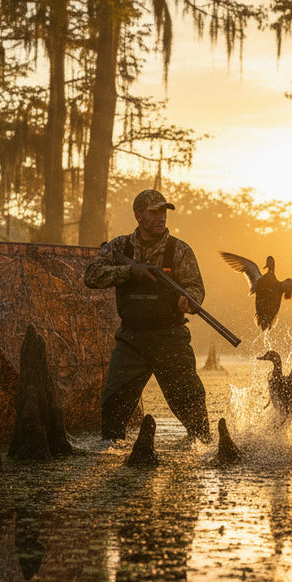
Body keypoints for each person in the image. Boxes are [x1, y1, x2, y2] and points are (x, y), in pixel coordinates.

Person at [84, 189, 212, 442]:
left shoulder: (180, 250)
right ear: (138, 215)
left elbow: (196, 287)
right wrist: (131, 273)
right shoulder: (120, 246)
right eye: (154, 212)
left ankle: (205, 446)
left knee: (190, 401)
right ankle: (111, 453)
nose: (161, 217)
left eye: (164, 211)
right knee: (114, 402)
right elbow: (92, 275)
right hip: (131, 339)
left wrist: (190, 301)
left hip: (170, 337)